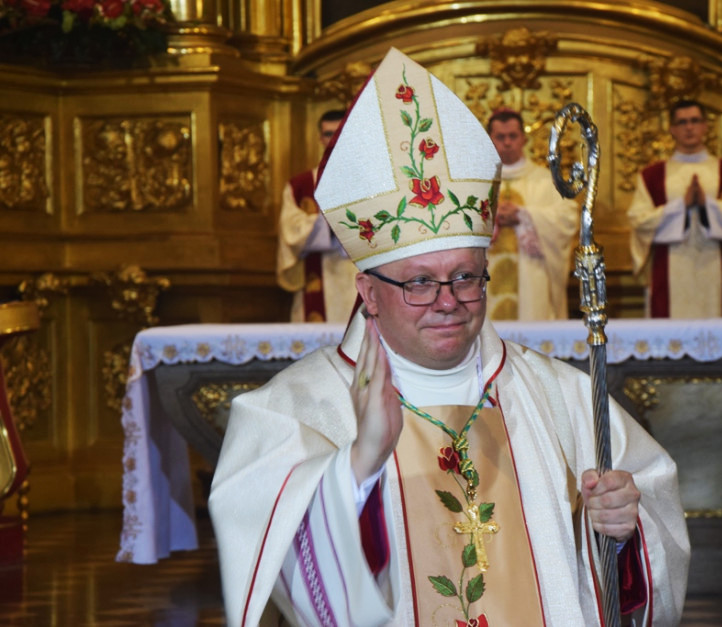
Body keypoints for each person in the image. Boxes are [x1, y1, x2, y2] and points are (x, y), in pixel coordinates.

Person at [210, 48, 689, 627]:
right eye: (419, 282)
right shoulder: (291, 412)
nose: (448, 300)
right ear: (366, 291)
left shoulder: (560, 397)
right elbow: (278, 574)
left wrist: (620, 532)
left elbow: (644, 533)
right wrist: (357, 467)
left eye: (466, 275)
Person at [627, 98, 722, 318]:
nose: (689, 127)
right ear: (671, 129)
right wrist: (681, 207)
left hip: (717, 268)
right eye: (682, 122)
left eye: (695, 121)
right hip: (669, 273)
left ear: (705, 126)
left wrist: (709, 207)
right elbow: (639, 222)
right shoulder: (652, 176)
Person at [485, 108, 578, 320]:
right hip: (487, 279)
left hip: (532, 280)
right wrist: (490, 216)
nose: (507, 142)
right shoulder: (478, 182)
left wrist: (525, 215)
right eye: (500, 137)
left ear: (523, 139)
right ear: (490, 139)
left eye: (513, 136)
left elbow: (568, 217)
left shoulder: (545, 180)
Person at [276, 109, 360, 322]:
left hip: (359, 281)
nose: (334, 140)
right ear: (320, 139)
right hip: (318, 282)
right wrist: (330, 223)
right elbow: (291, 231)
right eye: (328, 134)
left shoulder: (369, 181)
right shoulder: (300, 186)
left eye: (339, 133)